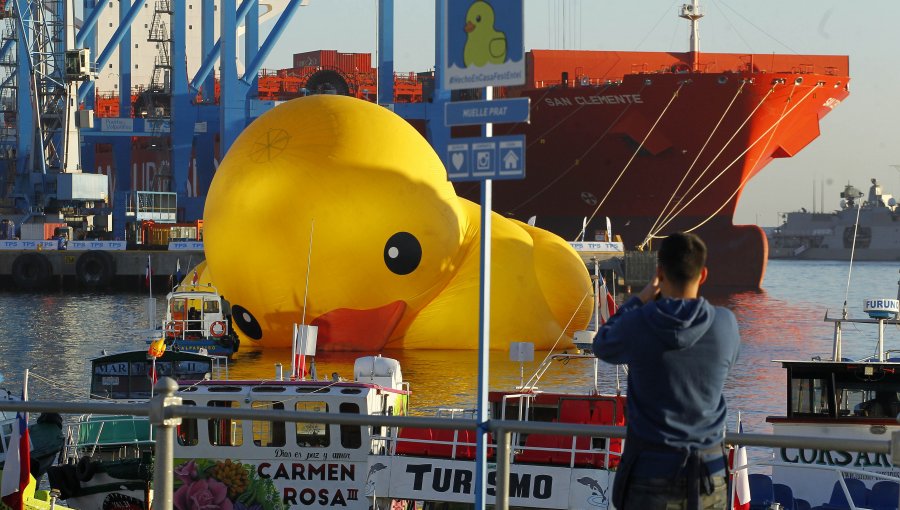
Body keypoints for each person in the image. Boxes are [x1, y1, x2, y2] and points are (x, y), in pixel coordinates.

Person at [592, 232, 741, 510]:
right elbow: (728, 364)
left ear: (659, 272)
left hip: (649, 472)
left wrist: (640, 298)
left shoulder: (639, 322)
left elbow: (602, 344)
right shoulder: (726, 324)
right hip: (709, 473)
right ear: (704, 274)